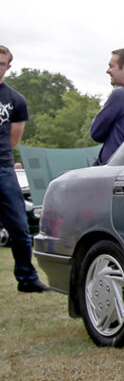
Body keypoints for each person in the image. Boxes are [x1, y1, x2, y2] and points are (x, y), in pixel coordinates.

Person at [0, 45, 47, 292]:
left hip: (3, 169)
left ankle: (27, 279)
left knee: (19, 225)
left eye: (1, 63)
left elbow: (13, 139)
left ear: (8, 67)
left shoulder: (15, 100)